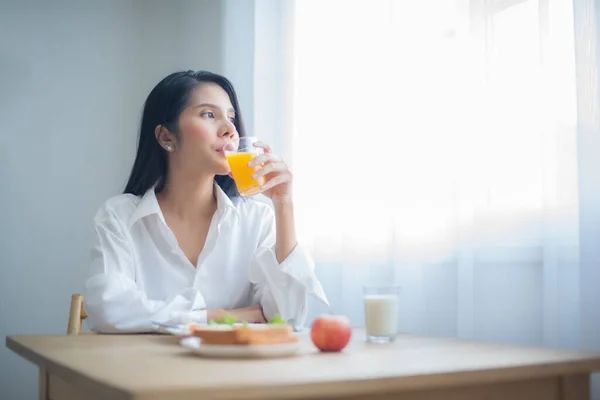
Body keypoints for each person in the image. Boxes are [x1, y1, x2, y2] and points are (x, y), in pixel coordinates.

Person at [84, 70, 328, 333]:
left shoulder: (257, 219)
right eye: (209, 114)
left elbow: (287, 318)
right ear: (166, 137)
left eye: (231, 117)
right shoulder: (119, 216)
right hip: (148, 371)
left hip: (238, 373)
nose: (230, 129)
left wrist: (284, 204)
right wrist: (218, 316)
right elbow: (109, 309)